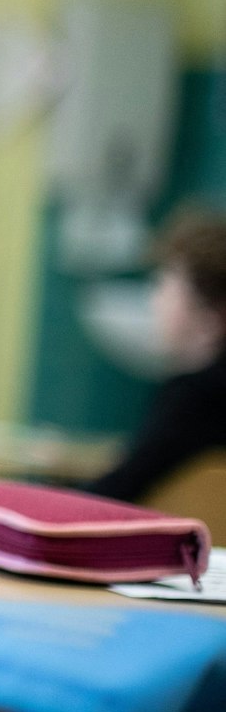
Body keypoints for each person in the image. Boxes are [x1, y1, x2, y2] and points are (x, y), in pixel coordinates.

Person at [85, 210, 226, 503]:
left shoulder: (193, 398)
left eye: (166, 285)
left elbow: (117, 492)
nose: (154, 300)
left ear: (212, 317)